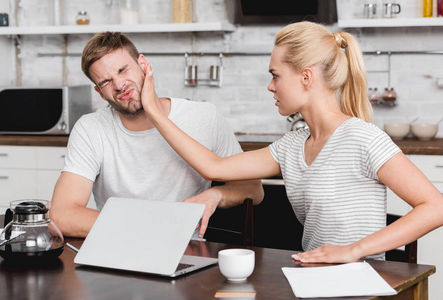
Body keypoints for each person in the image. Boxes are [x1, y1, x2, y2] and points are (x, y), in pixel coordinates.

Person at [139, 21, 443, 263]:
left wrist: (354, 250)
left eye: (275, 75)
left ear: (306, 78)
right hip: (311, 274)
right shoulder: (292, 145)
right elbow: (212, 166)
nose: (270, 87)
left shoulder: (361, 137)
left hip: (360, 281)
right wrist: (153, 110)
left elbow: (435, 207)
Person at [49, 32, 264, 238]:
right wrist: (149, 228)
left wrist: (216, 195)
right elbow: (62, 215)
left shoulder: (205, 117)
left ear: (143, 64)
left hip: (185, 250)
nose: (119, 85)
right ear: (100, 93)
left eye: (123, 70)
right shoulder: (91, 129)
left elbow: (254, 190)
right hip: (116, 246)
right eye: (105, 82)